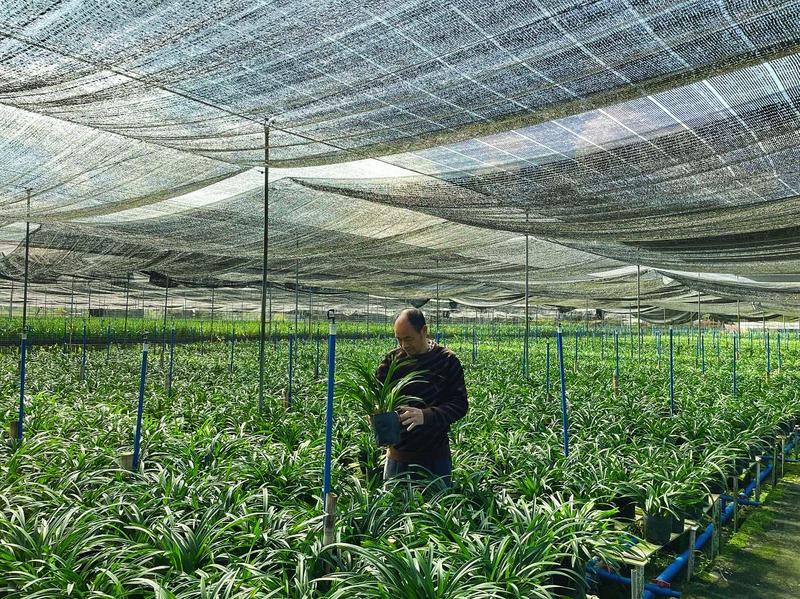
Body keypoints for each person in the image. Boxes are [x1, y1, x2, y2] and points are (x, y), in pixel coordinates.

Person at [376, 308, 468, 485]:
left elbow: (460, 404)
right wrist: (374, 412)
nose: (404, 345)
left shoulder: (446, 360)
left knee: (437, 500)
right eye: (399, 339)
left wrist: (425, 416)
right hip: (398, 457)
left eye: (408, 338)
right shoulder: (392, 361)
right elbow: (377, 395)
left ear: (424, 331)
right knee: (394, 502)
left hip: (435, 458)